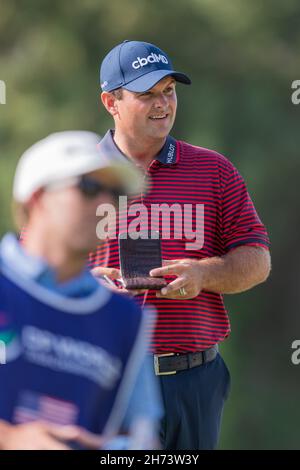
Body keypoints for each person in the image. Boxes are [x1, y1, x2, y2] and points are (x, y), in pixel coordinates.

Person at [90, 40, 272, 450]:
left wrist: (204, 274)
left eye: (169, 91)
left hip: (195, 380)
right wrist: (84, 286)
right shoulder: (78, 172)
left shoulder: (214, 170)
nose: (163, 104)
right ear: (110, 102)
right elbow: (33, 269)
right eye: (147, 94)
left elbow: (257, 260)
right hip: (104, 376)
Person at [0, 130, 162, 450]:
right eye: (88, 187)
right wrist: (12, 439)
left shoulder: (126, 319)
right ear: (37, 197)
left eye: (114, 194)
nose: (105, 205)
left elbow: (143, 439)